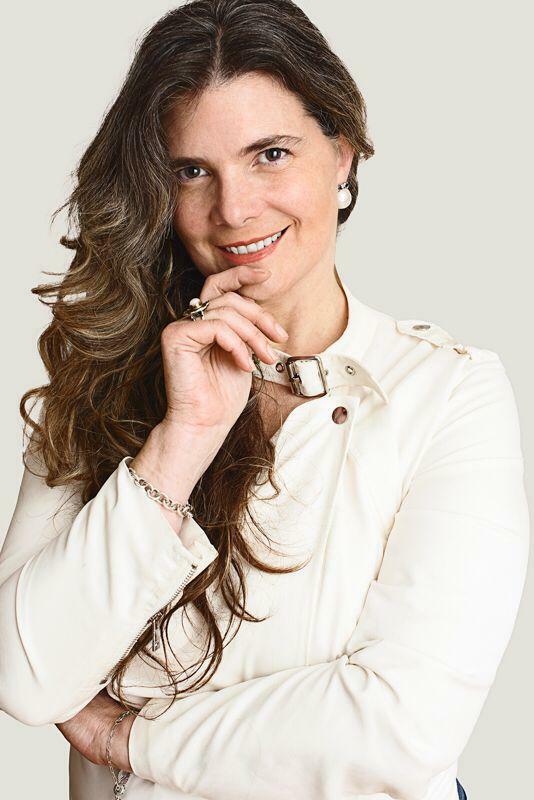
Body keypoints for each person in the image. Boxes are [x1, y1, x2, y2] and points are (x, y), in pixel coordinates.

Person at [0, 1, 528, 799]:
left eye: (270, 155)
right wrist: (182, 439)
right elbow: (24, 674)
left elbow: (401, 727)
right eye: (192, 171)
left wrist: (128, 737)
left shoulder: (449, 393)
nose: (234, 210)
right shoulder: (98, 379)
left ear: (342, 155)